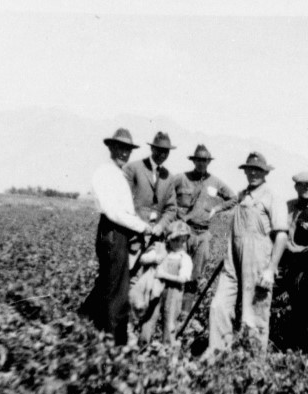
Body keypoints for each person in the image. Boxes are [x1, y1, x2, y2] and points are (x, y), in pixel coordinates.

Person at [201, 152, 288, 360]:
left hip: (258, 261)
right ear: (245, 171)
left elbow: (282, 236)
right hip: (232, 258)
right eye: (250, 169)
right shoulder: (241, 196)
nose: (253, 173)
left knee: (253, 314)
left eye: (258, 170)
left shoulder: (272, 197)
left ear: (265, 172)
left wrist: (270, 269)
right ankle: (217, 354)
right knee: (219, 305)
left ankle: (252, 365)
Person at [78, 128, 152, 345]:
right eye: (120, 148)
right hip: (113, 232)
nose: (124, 153)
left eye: (127, 149)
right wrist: (142, 227)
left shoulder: (117, 174)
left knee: (106, 286)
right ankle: (114, 345)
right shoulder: (105, 173)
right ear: (110, 147)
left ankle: (82, 327)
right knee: (117, 293)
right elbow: (114, 213)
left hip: (118, 233)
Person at [172, 144, 237, 311]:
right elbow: (166, 194)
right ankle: (170, 311)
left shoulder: (215, 182)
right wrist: (176, 213)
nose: (202, 164)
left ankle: (184, 315)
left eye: (205, 161)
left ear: (209, 162)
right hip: (183, 231)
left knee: (194, 276)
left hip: (203, 234)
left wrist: (217, 209)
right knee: (176, 272)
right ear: (194, 161)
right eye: (199, 160)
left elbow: (233, 198)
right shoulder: (181, 178)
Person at [273, 172, 308, 351]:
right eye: (303, 185)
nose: (306, 188)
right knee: (265, 294)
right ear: (296, 187)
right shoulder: (288, 206)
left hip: (306, 266)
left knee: (301, 308)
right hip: (284, 263)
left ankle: (295, 348)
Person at [138, 220, 193, 349]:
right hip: (156, 291)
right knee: (149, 317)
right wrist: (154, 258)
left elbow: (184, 278)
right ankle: (142, 347)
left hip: (173, 292)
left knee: (170, 321)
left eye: (182, 241)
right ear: (169, 238)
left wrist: (164, 275)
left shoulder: (184, 257)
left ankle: (167, 351)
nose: (179, 244)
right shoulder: (161, 249)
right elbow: (143, 259)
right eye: (176, 240)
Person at [123, 131, 178, 253]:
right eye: (159, 150)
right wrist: (138, 224)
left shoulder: (168, 177)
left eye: (166, 151)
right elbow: (123, 202)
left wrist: (161, 226)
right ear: (152, 148)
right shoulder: (133, 168)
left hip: (155, 238)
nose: (163, 154)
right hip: (133, 235)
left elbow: (171, 209)